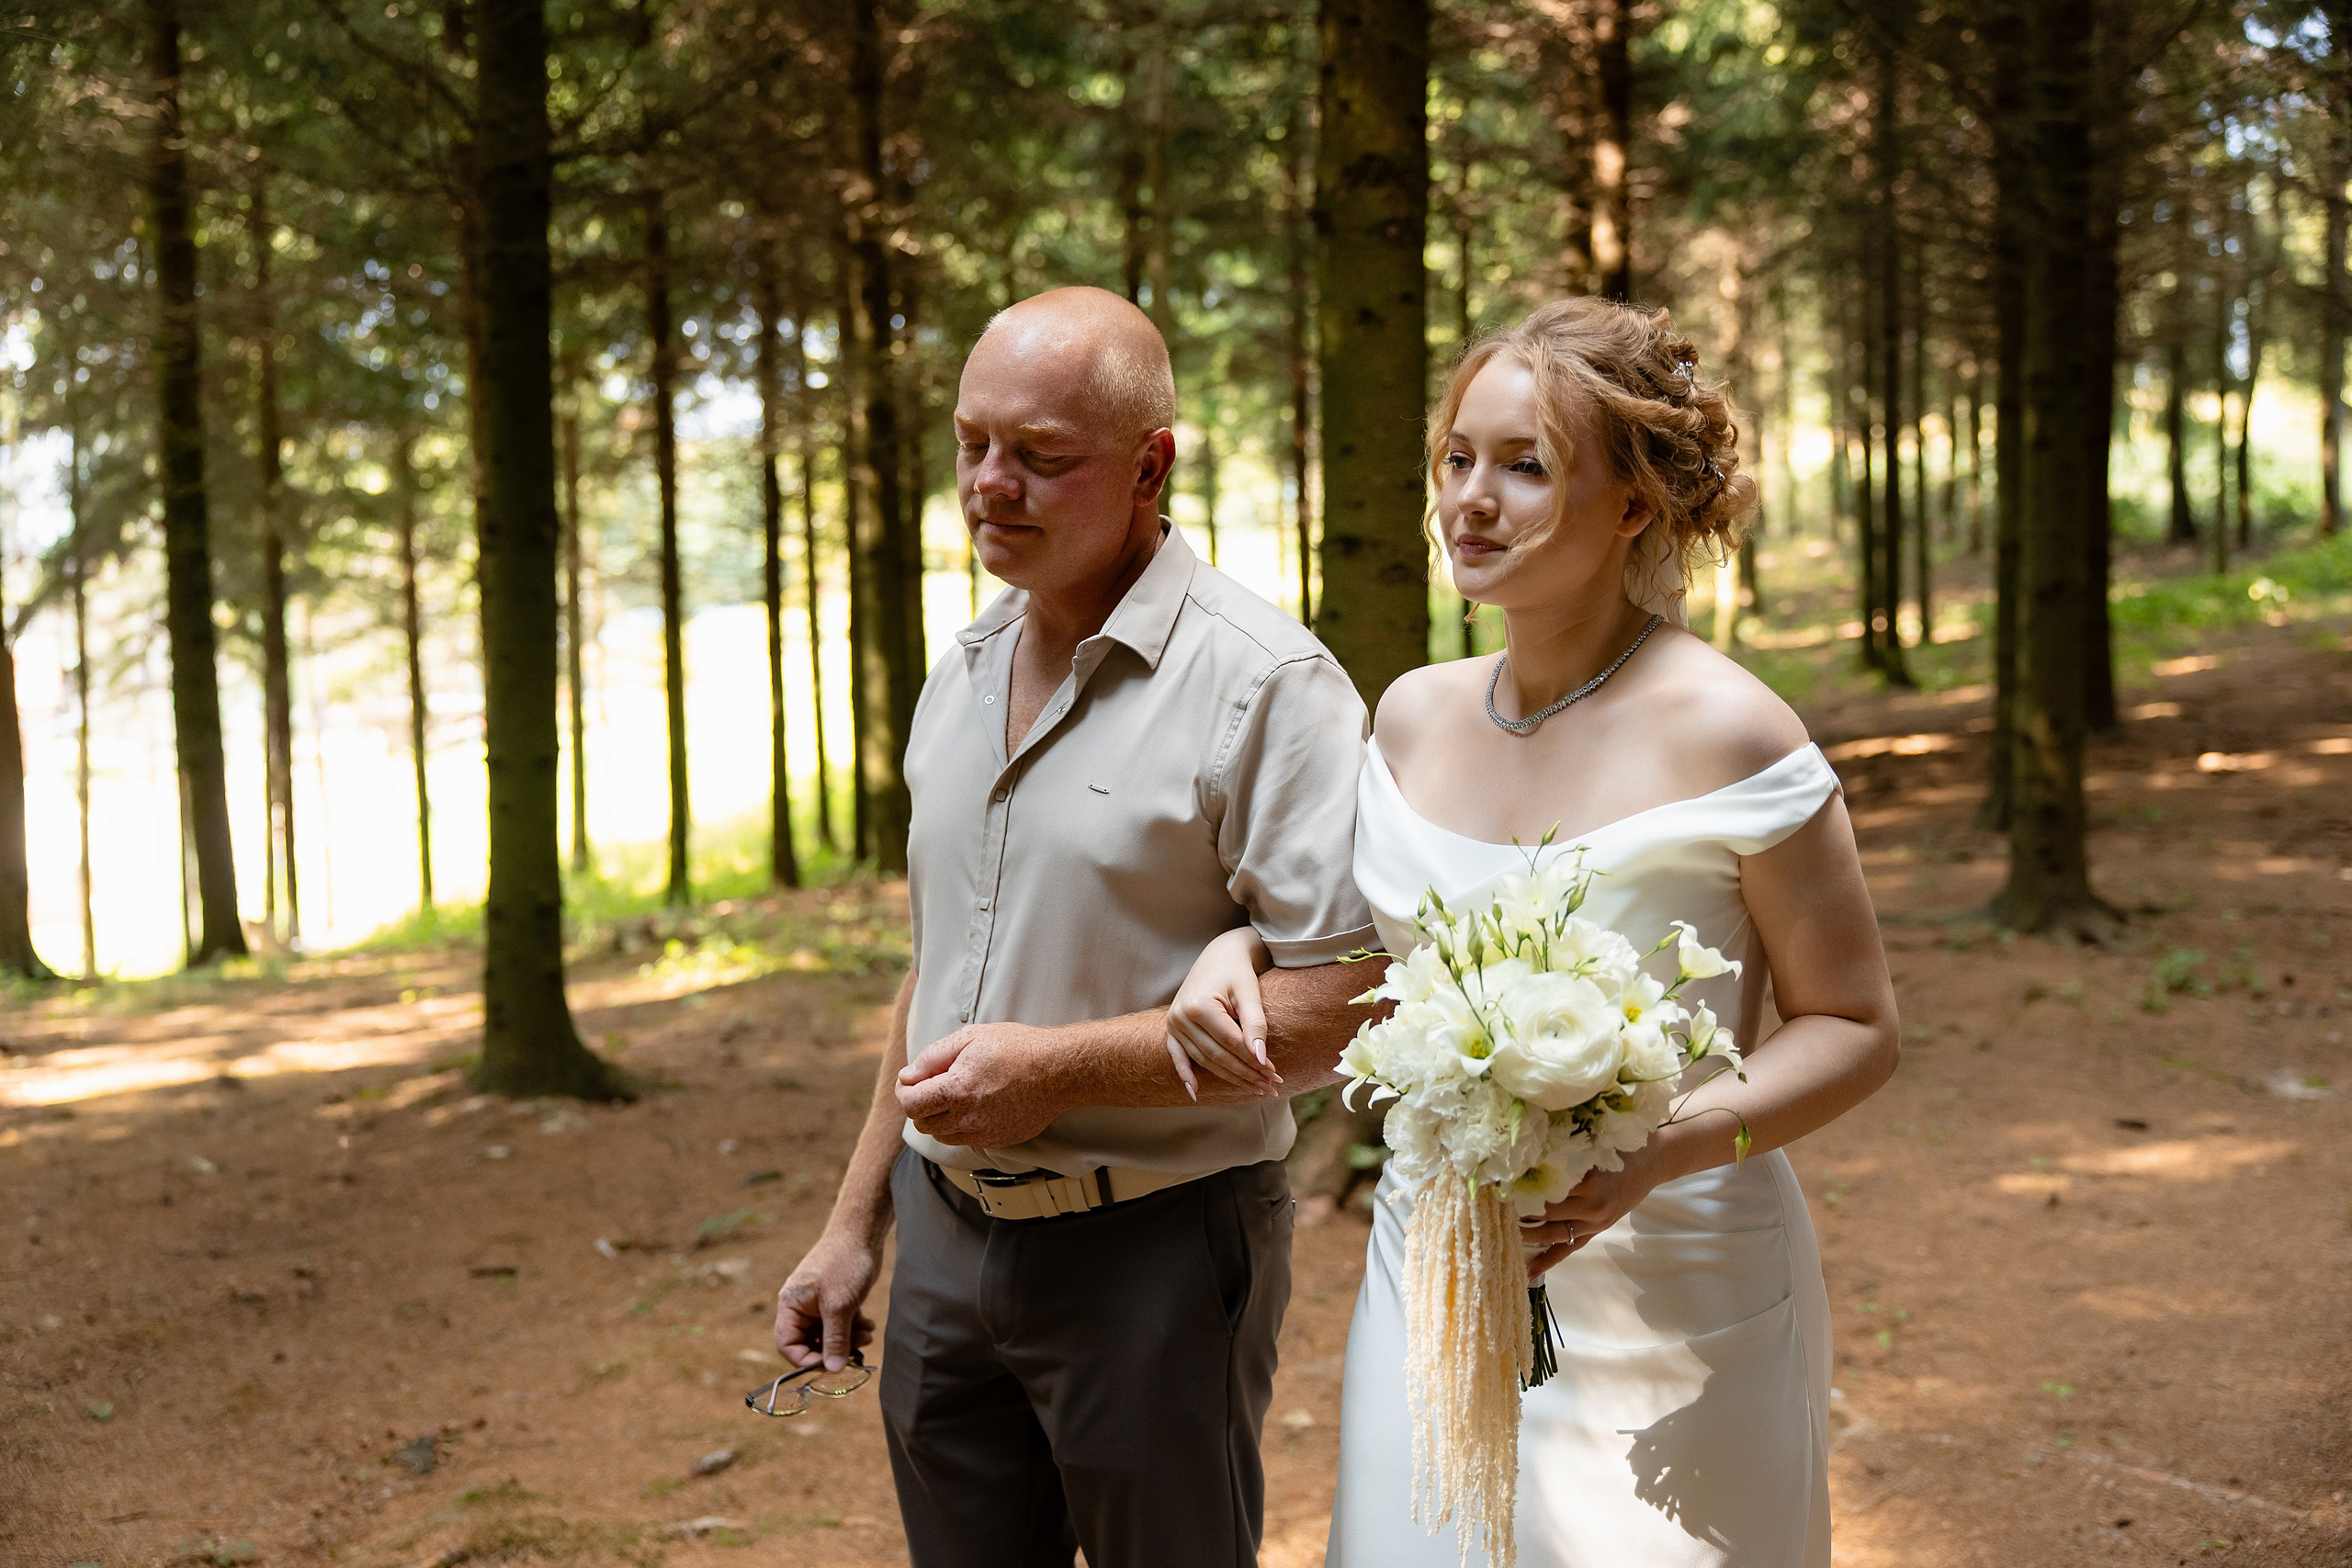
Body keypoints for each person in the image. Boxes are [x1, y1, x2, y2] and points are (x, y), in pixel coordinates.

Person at [1170, 297, 1902, 1567]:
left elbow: (1854, 1025)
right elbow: (1366, 960)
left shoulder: (1732, 732)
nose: (1472, 499)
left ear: (1633, 506)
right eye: (1457, 458)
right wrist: (1231, 950)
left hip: (1678, 1286)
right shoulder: (1407, 717)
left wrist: (1658, 1149)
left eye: (1525, 467)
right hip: (1441, 1261)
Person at [772, 285, 1378, 1568]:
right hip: (941, 1248)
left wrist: (1057, 1072)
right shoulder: (963, 669)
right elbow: (938, 968)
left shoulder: (1270, 688)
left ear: (1151, 465)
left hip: (1157, 1248)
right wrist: (852, 1223)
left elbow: (1342, 1006)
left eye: (1042, 457)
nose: (993, 484)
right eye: (972, 443)